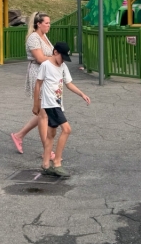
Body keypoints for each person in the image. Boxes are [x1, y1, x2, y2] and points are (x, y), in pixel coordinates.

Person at [33, 41, 90, 177]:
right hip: (50, 104)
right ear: (55, 52)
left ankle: (46, 164)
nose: (62, 60)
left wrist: (82, 94)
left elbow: (68, 83)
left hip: (58, 103)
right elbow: (38, 84)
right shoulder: (46, 65)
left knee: (51, 134)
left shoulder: (63, 66)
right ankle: (57, 163)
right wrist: (36, 104)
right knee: (67, 129)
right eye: (61, 57)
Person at [10, 12, 54, 154]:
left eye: (49, 23)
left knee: (44, 112)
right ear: (38, 24)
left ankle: (19, 135)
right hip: (37, 73)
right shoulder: (33, 38)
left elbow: (48, 55)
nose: (49, 25)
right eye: (46, 23)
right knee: (43, 114)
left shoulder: (44, 36)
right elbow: (40, 58)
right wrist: (56, 58)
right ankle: (47, 150)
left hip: (47, 73)